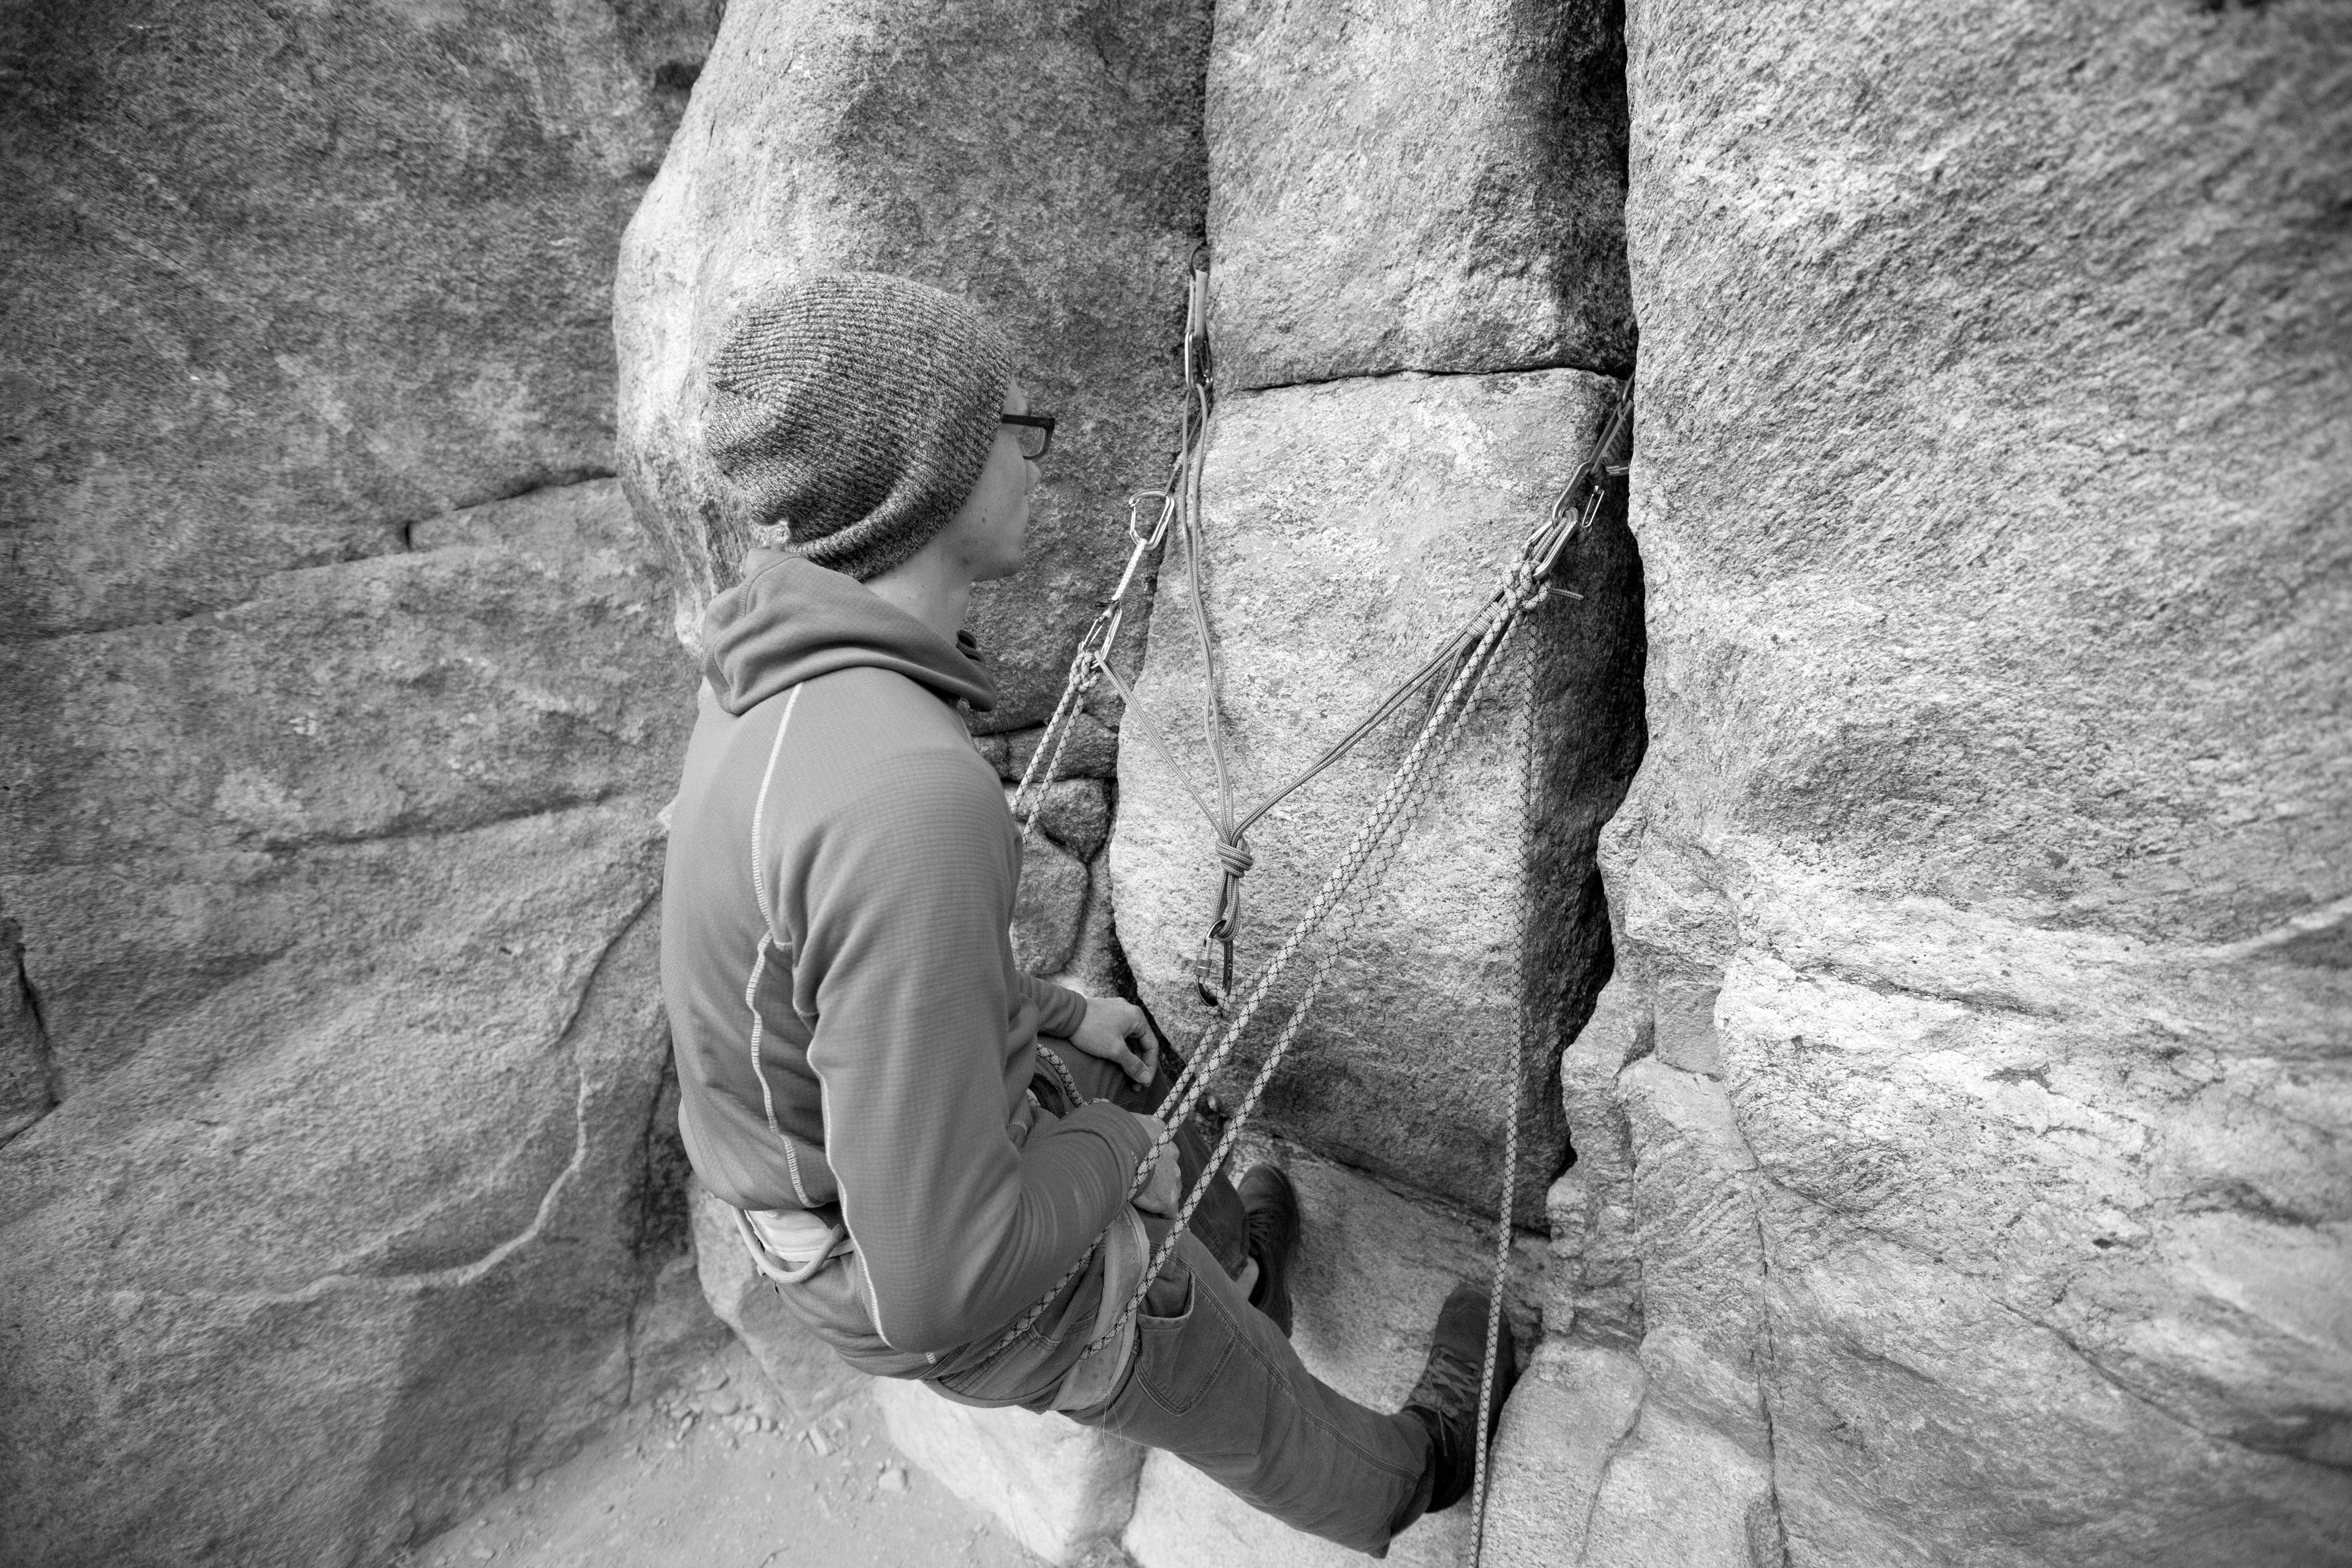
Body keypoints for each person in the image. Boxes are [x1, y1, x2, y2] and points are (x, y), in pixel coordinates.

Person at [658, 270, 1513, 1555]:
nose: (1031, 452)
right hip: (941, 1284)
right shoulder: (902, 790)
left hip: (832, 1187)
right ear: (932, 471)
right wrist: (1119, 1154)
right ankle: (1418, 1461)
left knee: (1113, 1085)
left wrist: (1057, 1011)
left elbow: (837, 985)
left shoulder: (770, 690)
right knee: (1194, 1281)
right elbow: (942, 1280)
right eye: (1010, 423)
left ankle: (1242, 1285)